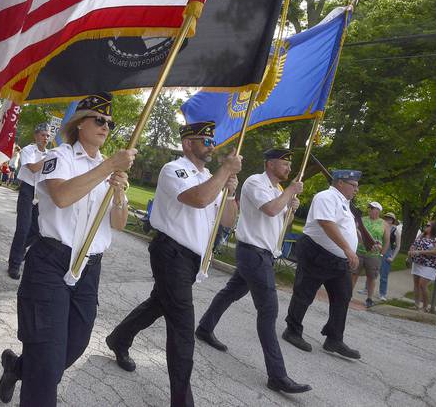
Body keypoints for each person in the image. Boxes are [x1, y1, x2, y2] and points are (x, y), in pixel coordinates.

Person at [0, 93, 135, 406]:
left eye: (109, 123)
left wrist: (118, 194)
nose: (105, 126)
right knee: (47, 359)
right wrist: (108, 167)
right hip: (51, 263)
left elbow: (119, 223)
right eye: (99, 120)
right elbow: (61, 196)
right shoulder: (60, 157)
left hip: (89, 268)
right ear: (79, 123)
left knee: (74, 346)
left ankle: (18, 368)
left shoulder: (107, 168)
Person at [105, 121, 241, 407]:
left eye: (211, 140)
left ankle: (119, 338)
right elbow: (199, 199)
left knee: (158, 304)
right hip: (171, 253)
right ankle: (182, 400)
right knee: (182, 326)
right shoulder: (175, 169)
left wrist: (230, 191)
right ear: (187, 143)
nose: (211, 145)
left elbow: (228, 221)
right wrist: (225, 171)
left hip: (191, 260)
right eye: (204, 140)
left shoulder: (211, 177)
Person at [196, 148, 310, 394]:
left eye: (290, 165)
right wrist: (290, 192)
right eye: (285, 163)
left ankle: (205, 328)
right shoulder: (255, 182)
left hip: (264, 254)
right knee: (269, 311)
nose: (289, 169)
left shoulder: (279, 190)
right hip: (253, 253)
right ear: (270, 164)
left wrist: (291, 208)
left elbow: (279, 220)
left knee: (230, 292)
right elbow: (269, 209)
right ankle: (277, 375)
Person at [282, 169, 363, 360]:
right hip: (317, 253)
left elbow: (341, 225)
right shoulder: (326, 196)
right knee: (304, 293)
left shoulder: (344, 203)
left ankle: (334, 339)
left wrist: (355, 239)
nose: (356, 190)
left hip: (337, 260)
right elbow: (326, 223)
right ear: (341, 183)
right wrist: (348, 249)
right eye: (354, 185)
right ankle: (292, 330)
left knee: (343, 296)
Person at [6, 123, 50, 279]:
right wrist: (50, 159)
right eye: (43, 135)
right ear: (36, 135)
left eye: (48, 136)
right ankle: (14, 264)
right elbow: (33, 168)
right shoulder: (28, 150)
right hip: (28, 190)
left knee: (38, 230)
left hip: (42, 193)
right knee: (23, 228)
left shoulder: (50, 153)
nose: (46, 138)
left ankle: (20, 249)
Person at [352, 201, 388, 308]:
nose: (370, 210)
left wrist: (381, 254)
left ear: (378, 211)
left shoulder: (384, 224)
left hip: (374, 255)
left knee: (372, 277)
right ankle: (348, 295)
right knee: (354, 274)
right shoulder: (362, 220)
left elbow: (386, 241)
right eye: (370, 208)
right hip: (359, 251)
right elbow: (354, 232)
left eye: (373, 208)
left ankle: (369, 298)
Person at [408, 220, 436, 312]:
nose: (426, 227)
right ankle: (416, 304)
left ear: (434, 228)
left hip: (430, 264)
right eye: (426, 225)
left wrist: (420, 252)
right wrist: (411, 250)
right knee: (416, 284)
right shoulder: (421, 235)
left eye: (428, 225)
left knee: (422, 284)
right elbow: (414, 244)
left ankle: (425, 307)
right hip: (418, 262)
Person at [378, 212, 402, 301]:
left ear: (393, 220)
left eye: (390, 218)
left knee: (384, 274)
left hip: (388, 252)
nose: (388, 220)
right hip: (378, 250)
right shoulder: (380, 226)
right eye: (386, 218)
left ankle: (382, 294)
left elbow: (398, 246)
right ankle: (366, 289)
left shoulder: (395, 230)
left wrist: (392, 257)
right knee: (372, 270)